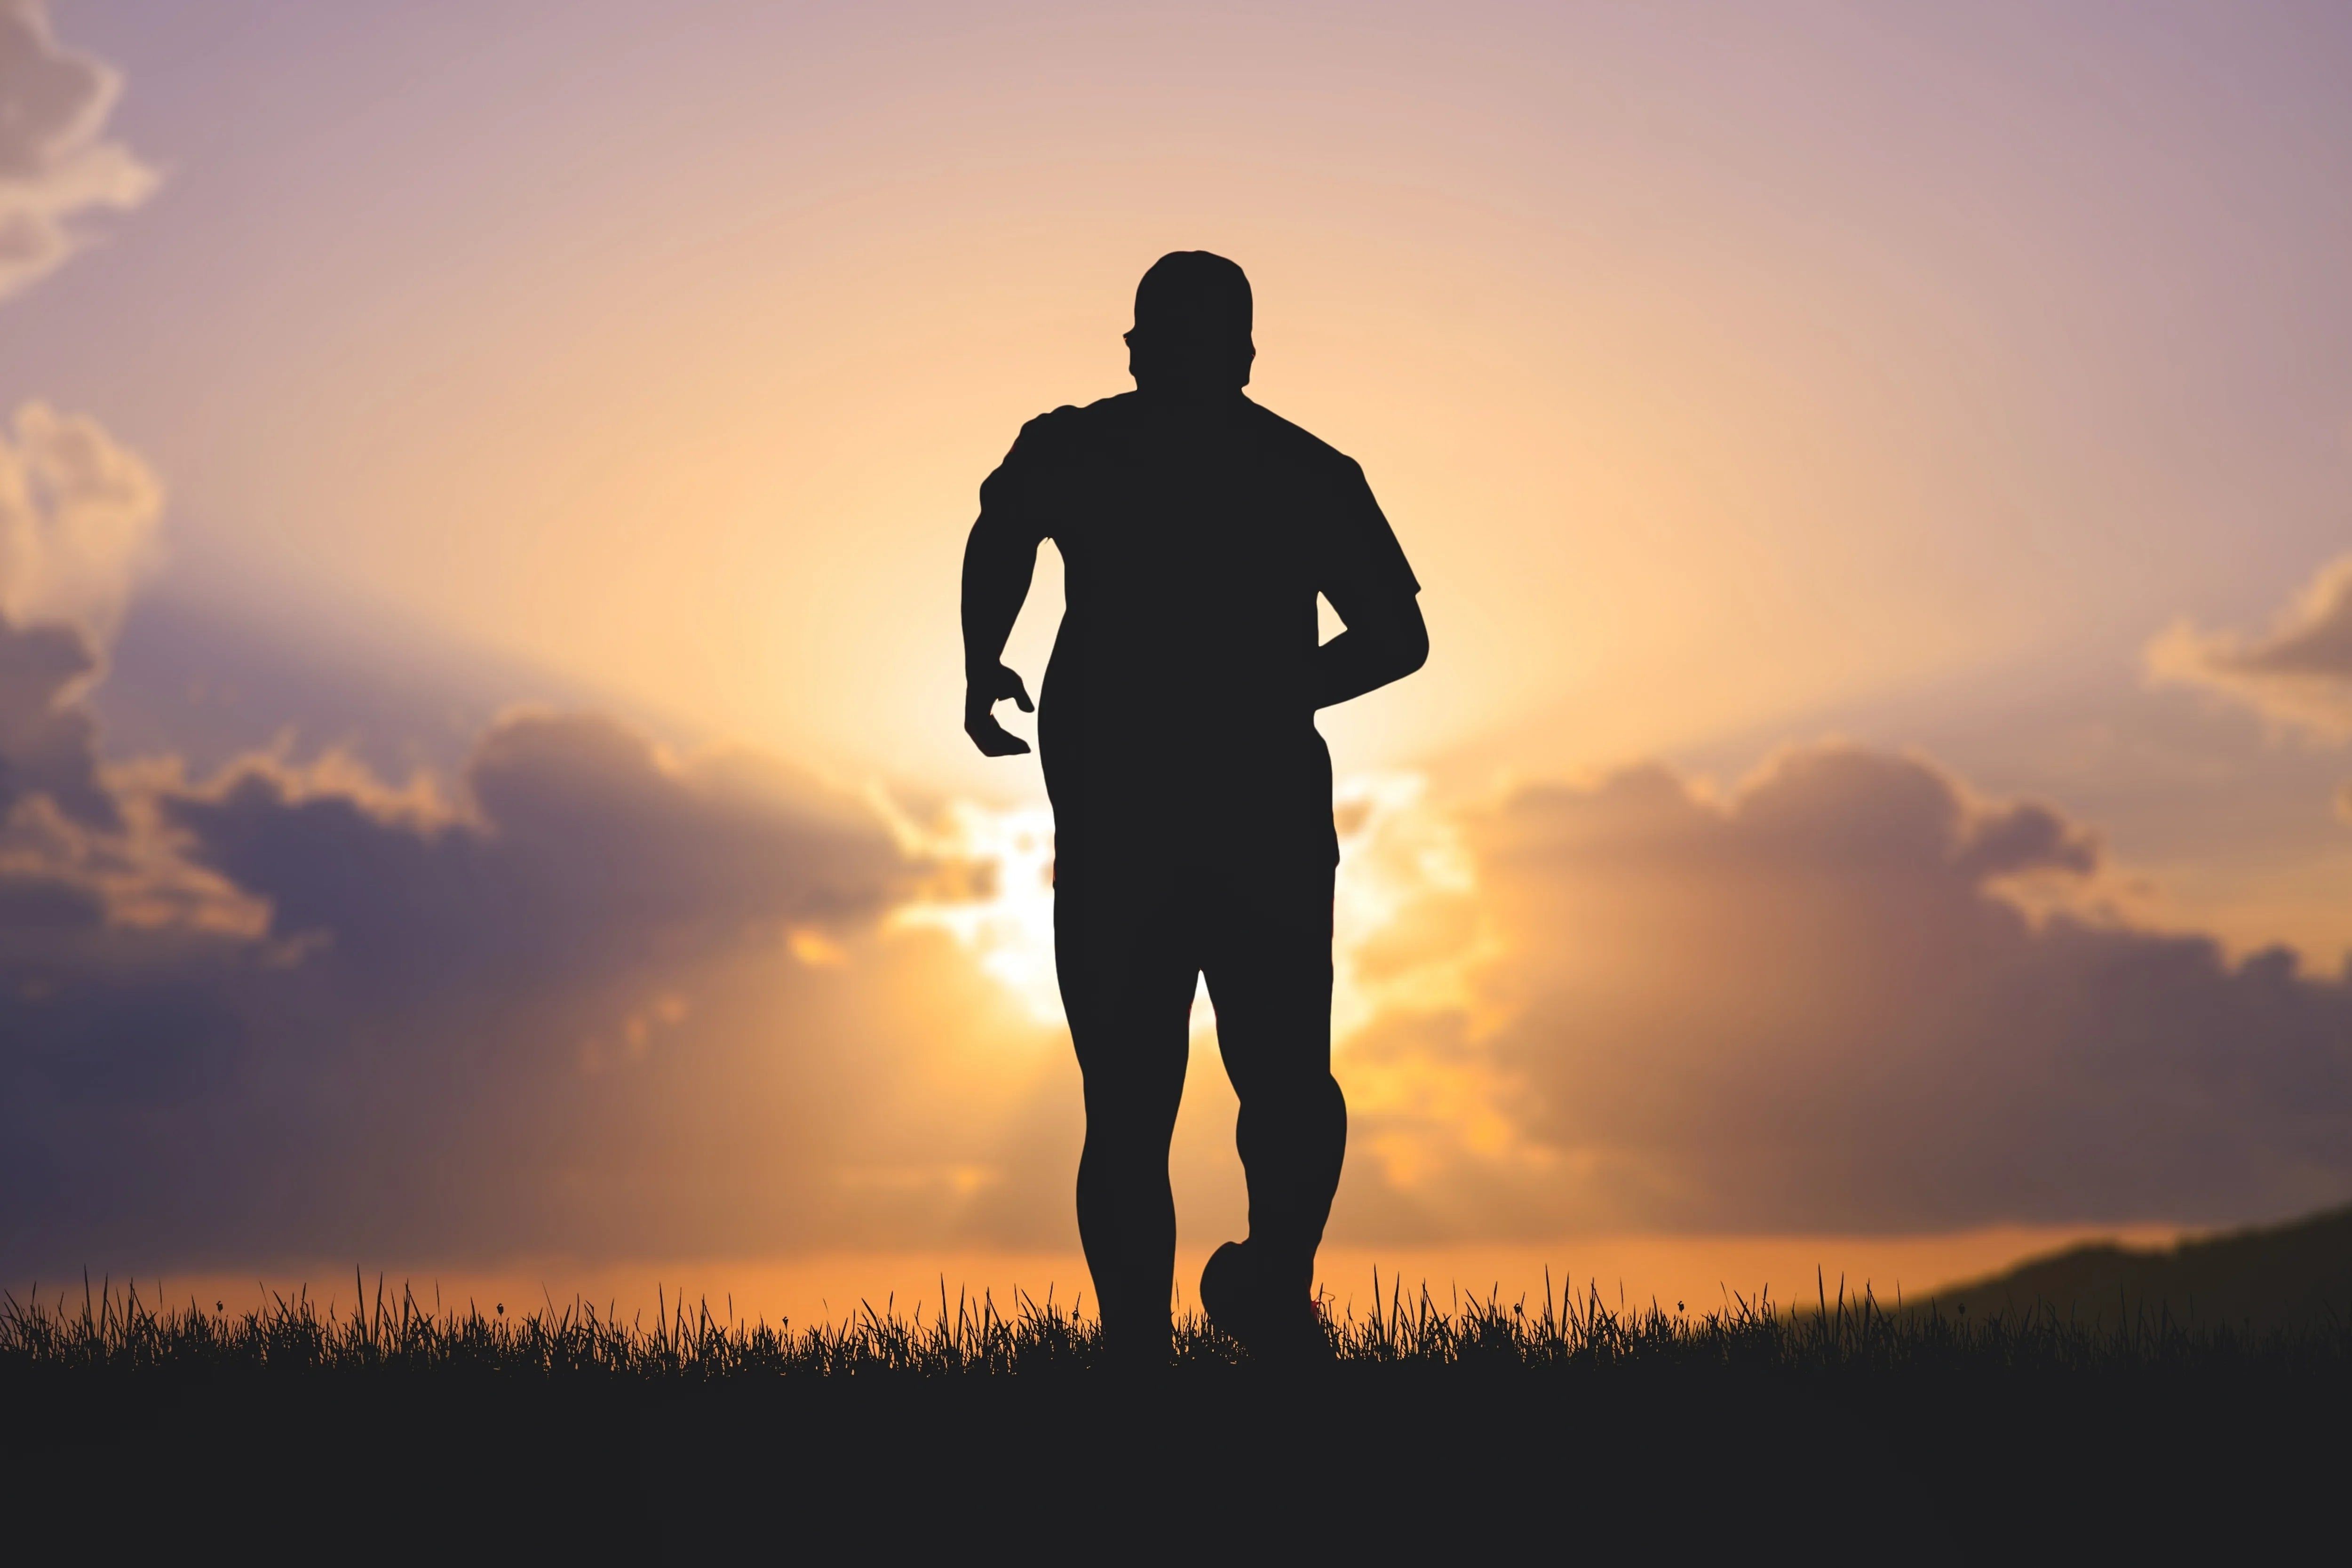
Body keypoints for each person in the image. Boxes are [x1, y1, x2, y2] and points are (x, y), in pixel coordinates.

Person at [959, 251, 1428, 1365]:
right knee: (1186, 1093)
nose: (1166, 361)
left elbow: (1399, 638)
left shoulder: (1258, 466)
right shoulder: (1283, 467)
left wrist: (985, 664)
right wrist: (982, 659)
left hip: (1200, 826)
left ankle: (1243, 1301)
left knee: (1216, 1091)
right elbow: (1001, 535)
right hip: (1171, 826)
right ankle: (1185, 1331)